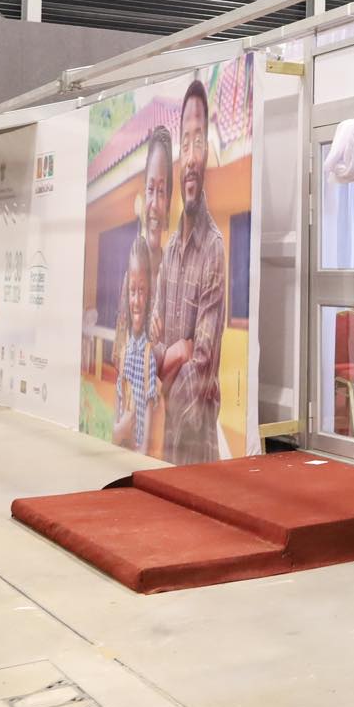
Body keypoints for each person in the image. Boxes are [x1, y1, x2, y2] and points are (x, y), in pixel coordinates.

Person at [150, 79, 226, 464]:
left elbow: (202, 364)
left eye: (199, 141)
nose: (192, 155)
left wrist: (169, 366)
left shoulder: (213, 248)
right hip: (169, 442)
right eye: (185, 142)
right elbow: (153, 346)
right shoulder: (169, 253)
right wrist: (178, 351)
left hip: (198, 446)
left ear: (207, 152)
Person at [113, 125, 172, 453]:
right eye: (151, 189)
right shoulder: (128, 278)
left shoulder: (174, 274)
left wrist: (162, 353)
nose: (155, 203)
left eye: (162, 191)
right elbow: (120, 358)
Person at [113, 237, 157, 452]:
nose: (137, 301)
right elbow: (119, 399)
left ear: (149, 296)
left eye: (142, 291)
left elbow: (149, 404)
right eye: (132, 291)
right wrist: (117, 431)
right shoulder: (124, 352)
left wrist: (142, 450)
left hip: (136, 450)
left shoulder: (148, 356)